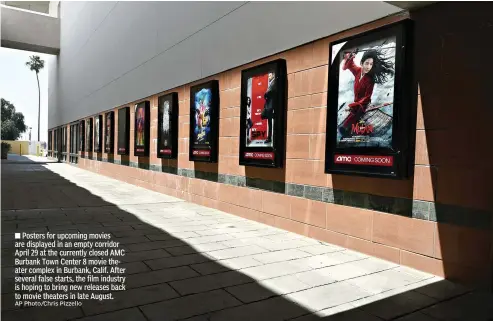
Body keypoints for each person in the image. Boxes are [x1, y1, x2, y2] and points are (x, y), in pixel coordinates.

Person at [339, 48, 394, 136]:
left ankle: (346, 128)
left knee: (355, 115)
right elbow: (348, 66)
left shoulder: (370, 80)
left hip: (363, 104)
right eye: (367, 63)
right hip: (356, 103)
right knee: (353, 114)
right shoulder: (357, 71)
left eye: (371, 64)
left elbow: (367, 97)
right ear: (361, 63)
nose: (369, 66)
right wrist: (351, 57)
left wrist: (356, 105)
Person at [261, 72, 276, 144]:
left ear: (273, 75)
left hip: (271, 105)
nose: (268, 77)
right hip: (270, 105)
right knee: (270, 121)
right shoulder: (271, 83)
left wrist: (265, 94)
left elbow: (268, 92)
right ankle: (270, 137)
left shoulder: (274, 82)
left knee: (270, 122)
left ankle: (270, 138)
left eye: (270, 75)